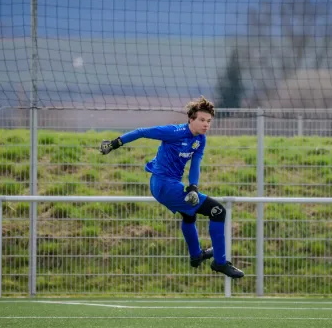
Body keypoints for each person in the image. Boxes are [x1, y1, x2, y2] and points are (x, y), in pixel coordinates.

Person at [99, 96, 244, 278]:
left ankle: (196, 256)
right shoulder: (174, 132)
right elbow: (142, 132)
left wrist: (193, 187)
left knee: (188, 214)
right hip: (163, 184)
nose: (206, 124)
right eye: (201, 120)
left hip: (172, 185)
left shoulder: (201, 140)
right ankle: (220, 263)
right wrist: (115, 143)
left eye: (209, 121)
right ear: (191, 119)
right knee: (217, 211)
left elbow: (195, 164)